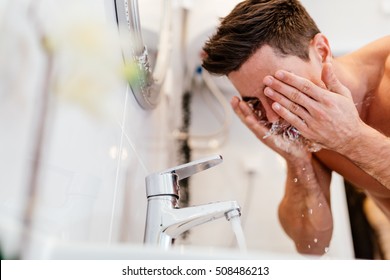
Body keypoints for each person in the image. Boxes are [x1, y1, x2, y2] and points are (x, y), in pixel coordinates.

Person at [201, 0, 390, 255]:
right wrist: (297, 160)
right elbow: (311, 244)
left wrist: (351, 138)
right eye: (255, 102)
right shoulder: (308, 125)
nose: (275, 118)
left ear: (321, 51)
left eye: (282, 91)